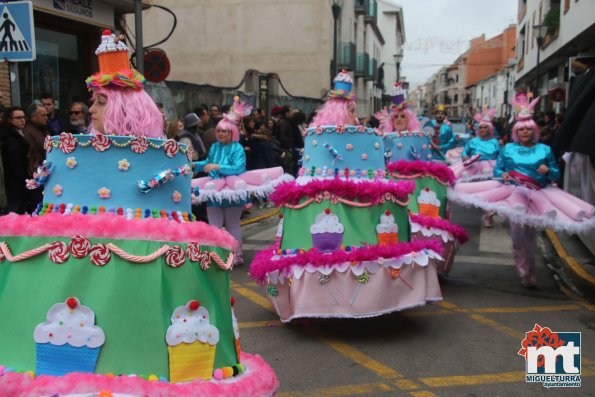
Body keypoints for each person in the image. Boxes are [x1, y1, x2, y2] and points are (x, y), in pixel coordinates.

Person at [450, 95, 595, 287]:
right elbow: (498, 169)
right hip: (514, 194)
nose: (525, 131)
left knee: (530, 235)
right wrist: (503, 176)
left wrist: (548, 170)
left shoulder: (544, 150)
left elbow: (555, 173)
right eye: (521, 129)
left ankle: (529, 272)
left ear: (534, 130)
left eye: (528, 129)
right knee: (518, 235)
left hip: (539, 194)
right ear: (517, 132)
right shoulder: (508, 149)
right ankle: (523, 270)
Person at [193, 99, 251, 266]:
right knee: (214, 225)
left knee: (233, 225)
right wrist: (195, 164)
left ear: (232, 132)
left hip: (232, 189)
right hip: (213, 188)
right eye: (218, 131)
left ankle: (236, 255)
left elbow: (239, 168)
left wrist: (219, 166)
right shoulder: (215, 147)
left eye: (224, 131)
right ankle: (215, 254)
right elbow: (208, 162)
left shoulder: (238, 148)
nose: (220, 134)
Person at [450, 108, 501, 227]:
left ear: (490, 129)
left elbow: (500, 155)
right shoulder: (473, 141)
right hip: (473, 166)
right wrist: (465, 157)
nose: (483, 130)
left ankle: (488, 215)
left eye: (486, 127)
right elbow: (465, 152)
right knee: (468, 188)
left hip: (490, 169)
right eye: (481, 127)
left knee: (487, 192)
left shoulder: (495, 142)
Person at [0, 107, 29, 214]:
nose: (22, 120)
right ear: (9, 120)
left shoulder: (17, 134)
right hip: (13, 185)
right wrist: (25, 180)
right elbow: (15, 164)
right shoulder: (10, 138)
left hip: (17, 184)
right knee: (13, 214)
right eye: (18, 117)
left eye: (23, 117)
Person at [23, 103, 49, 212]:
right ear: (34, 117)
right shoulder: (28, 132)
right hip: (35, 173)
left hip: (42, 171)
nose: (46, 118)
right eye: (43, 115)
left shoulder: (42, 129)